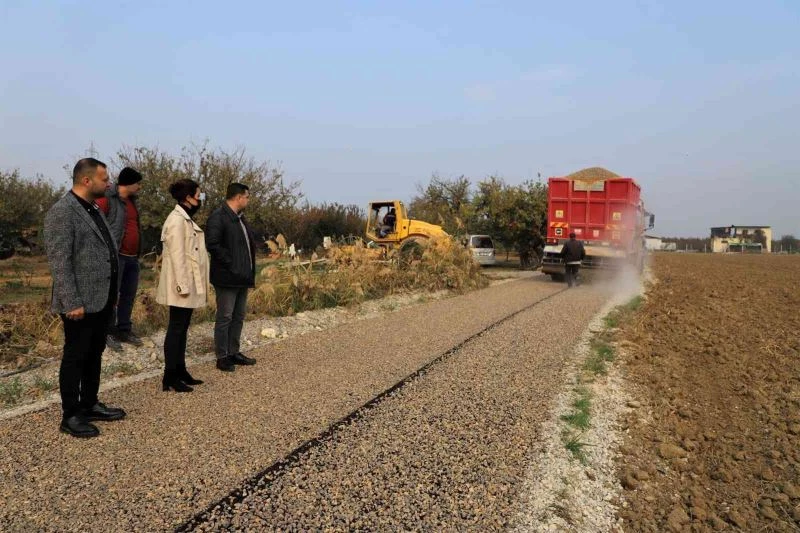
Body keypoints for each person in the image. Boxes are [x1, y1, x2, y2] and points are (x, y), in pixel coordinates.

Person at [43, 158, 127, 438]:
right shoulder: (62, 212)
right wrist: (71, 302)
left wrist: (113, 294)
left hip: (101, 299)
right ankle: (70, 415)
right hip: (80, 302)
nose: (109, 183)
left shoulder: (93, 209)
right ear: (86, 180)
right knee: (75, 356)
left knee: (94, 354)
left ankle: (90, 404)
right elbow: (60, 262)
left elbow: (105, 253)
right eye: (104, 178)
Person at [155, 179, 209, 392]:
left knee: (182, 328)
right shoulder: (177, 221)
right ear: (188, 198)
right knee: (176, 328)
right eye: (198, 195)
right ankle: (170, 376)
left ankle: (180, 370)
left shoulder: (184, 219)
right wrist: (182, 286)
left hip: (186, 283)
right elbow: (177, 257)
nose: (200, 199)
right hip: (181, 284)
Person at [206, 183, 257, 372]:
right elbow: (212, 244)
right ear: (238, 197)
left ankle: (234, 352)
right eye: (247, 197)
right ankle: (222, 356)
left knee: (238, 316)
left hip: (242, 277)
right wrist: (232, 263)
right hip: (227, 277)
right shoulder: (218, 217)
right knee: (225, 316)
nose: (248, 200)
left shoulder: (241, 219)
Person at [95, 167, 144, 352]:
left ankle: (124, 329)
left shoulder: (132, 202)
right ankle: (107, 331)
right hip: (116, 257)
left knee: (128, 295)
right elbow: (95, 225)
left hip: (132, 258)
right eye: (137, 183)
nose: (139, 187)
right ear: (129, 183)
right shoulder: (107, 198)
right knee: (112, 296)